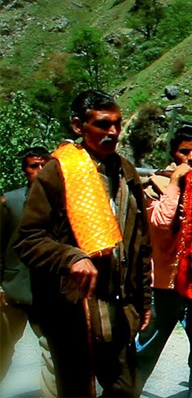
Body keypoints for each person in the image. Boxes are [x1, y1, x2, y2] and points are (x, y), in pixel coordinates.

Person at [16, 90, 152, 397]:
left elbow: (141, 243)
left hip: (118, 311)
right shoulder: (59, 171)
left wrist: (144, 301)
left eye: (117, 124)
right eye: (103, 125)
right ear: (79, 126)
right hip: (75, 313)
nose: (113, 132)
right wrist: (70, 257)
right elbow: (29, 239)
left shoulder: (126, 172)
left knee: (127, 389)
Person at [137, 126, 192, 398]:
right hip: (164, 284)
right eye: (185, 151)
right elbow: (160, 223)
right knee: (147, 348)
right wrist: (173, 184)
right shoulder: (153, 185)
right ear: (174, 153)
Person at [1, 147, 56, 395]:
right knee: (2, 349)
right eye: (34, 166)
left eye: (45, 165)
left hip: (47, 294)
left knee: (54, 354)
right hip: (12, 292)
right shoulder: (10, 202)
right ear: (25, 170)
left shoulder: (62, 205)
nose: (40, 171)